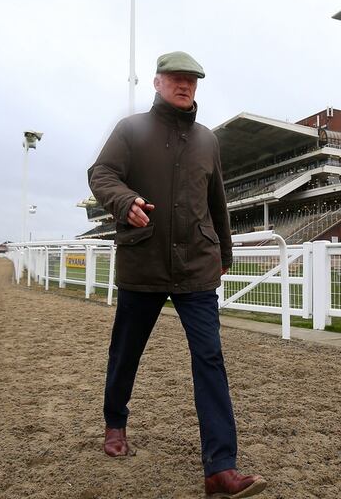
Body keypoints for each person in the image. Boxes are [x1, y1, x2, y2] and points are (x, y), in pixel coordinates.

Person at [88, 51, 267, 498]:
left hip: (197, 266)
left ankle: (220, 469)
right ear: (157, 82)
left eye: (191, 80)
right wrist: (124, 201)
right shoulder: (130, 130)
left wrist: (224, 250)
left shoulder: (208, 140)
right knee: (126, 352)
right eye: (175, 78)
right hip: (143, 263)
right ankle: (115, 424)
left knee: (210, 360)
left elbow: (217, 201)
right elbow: (101, 174)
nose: (184, 85)